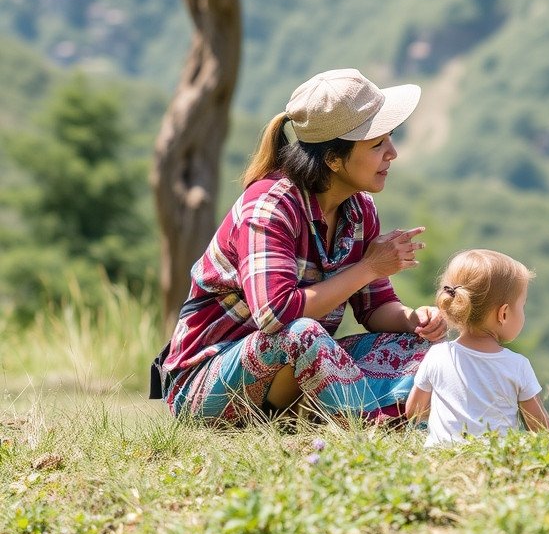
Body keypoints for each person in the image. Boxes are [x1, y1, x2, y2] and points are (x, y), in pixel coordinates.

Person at [157, 68, 448, 425]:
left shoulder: (359, 210)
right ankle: (371, 425)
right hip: (204, 382)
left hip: (291, 372)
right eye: (377, 144)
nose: (393, 153)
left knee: (424, 350)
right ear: (333, 159)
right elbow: (276, 315)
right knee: (302, 334)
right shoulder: (269, 208)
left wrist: (414, 320)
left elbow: (374, 307)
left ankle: (338, 417)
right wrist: (369, 267)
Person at [405, 249, 549, 446]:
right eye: (522, 306)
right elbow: (541, 429)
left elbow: (414, 412)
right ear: (504, 314)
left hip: (439, 459)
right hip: (494, 462)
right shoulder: (518, 366)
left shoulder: (437, 354)